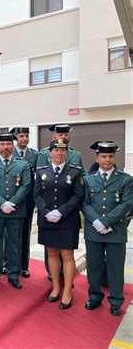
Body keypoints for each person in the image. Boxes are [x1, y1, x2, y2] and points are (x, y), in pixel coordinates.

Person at [82, 141, 132, 316]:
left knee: (115, 267)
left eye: (110, 156)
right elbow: (84, 203)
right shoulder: (87, 180)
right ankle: (95, 297)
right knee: (94, 266)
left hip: (116, 232)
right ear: (97, 157)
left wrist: (107, 222)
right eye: (103, 156)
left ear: (114, 157)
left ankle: (116, 301)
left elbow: (127, 204)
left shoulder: (126, 179)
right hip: (93, 230)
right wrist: (98, 222)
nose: (107, 159)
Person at [34, 138, 84, 309]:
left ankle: (67, 291)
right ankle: (56, 287)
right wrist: (47, 212)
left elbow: (78, 196)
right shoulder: (41, 172)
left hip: (68, 220)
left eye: (63, 150)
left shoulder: (75, 172)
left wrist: (61, 212)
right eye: (56, 150)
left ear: (66, 153)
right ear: (50, 153)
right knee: (52, 253)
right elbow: (37, 195)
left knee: (67, 255)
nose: (59, 153)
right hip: (47, 219)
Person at [0, 133, 30, 289]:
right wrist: (2, 203)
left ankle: (14, 274)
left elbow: (25, 186)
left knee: (14, 243)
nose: (5, 148)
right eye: (2, 145)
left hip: (16, 210)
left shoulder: (23, 165)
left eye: (8, 144)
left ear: (12, 146)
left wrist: (12, 203)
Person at [37, 124, 85, 278]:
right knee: (50, 250)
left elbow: (82, 176)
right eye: (60, 134)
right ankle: (52, 273)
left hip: (67, 206)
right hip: (49, 207)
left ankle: (66, 275)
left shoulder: (76, 155)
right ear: (54, 136)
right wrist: (46, 211)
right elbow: (41, 181)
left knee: (67, 252)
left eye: (65, 134)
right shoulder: (44, 153)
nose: (62, 136)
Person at [10, 127, 38, 278]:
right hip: (11, 200)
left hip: (27, 201)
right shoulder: (10, 152)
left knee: (25, 234)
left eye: (26, 136)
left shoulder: (35, 155)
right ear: (16, 137)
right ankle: (7, 262)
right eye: (21, 136)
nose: (24, 139)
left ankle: (23, 265)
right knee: (10, 234)